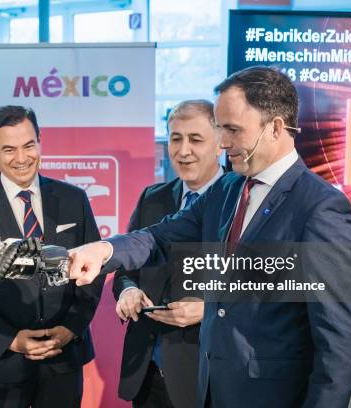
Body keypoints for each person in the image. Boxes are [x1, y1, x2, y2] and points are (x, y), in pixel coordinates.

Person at [68, 66, 351, 408]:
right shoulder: (228, 188)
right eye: (221, 129)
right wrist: (103, 250)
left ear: (276, 128)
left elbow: (339, 342)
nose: (223, 143)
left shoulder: (320, 208)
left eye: (233, 130)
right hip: (211, 391)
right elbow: (159, 237)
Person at [0, 105, 105, 408]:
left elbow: (92, 270)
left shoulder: (74, 199)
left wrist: (71, 328)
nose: (21, 158)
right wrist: (10, 338)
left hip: (63, 358)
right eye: (9, 149)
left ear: (40, 141)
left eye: (28, 145)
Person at [113, 99, 223, 408]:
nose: (183, 150)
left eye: (196, 139)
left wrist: (208, 308)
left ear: (219, 145)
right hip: (148, 373)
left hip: (207, 374)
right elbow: (126, 270)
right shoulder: (153, 198)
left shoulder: (241, 199)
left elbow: (263, 282)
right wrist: (129, 290)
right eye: (176, 138)